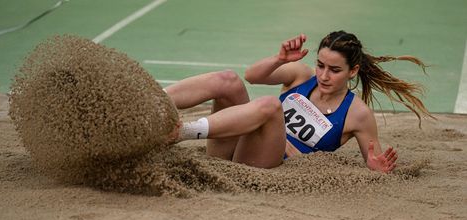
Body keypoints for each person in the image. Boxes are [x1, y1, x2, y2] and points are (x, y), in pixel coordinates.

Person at [165, 31, 431, 173]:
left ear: (353, 71)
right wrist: (280, 60)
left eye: (334, 70)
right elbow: (252, 76)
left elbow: (373, 160)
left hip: (260, 162)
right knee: (229, 80)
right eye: (320, 65)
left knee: (270, 106)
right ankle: (149, 105)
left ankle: (181, 132)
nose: (324, 76)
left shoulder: (358, 114)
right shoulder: (302, 75)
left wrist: (377, 167)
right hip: (231, 145)